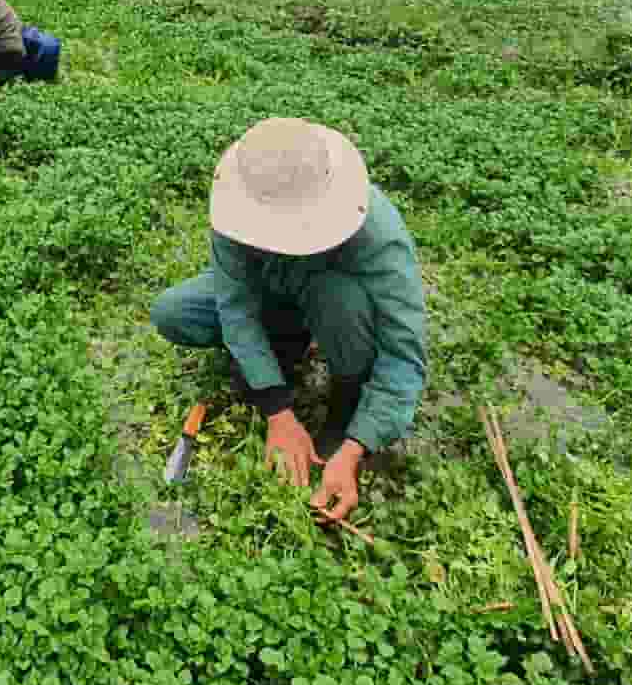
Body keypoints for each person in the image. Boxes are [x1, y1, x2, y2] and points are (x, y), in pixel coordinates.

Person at [148, 117, 428, 529]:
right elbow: (235, 307)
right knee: (173, 311)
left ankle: (347, 396)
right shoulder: (240, 198)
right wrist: (277, 410)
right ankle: (284, 346)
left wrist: (356, 444)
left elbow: (403, 355)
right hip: (275, 299)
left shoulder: (376, 232)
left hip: (333, 304)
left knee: (337, 297)